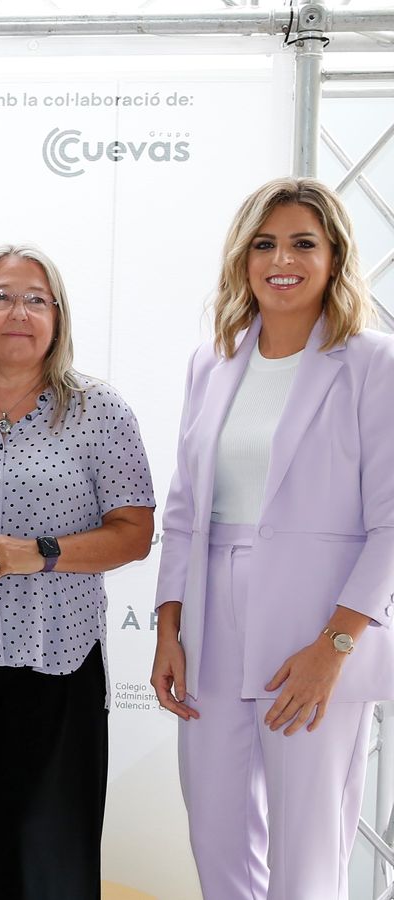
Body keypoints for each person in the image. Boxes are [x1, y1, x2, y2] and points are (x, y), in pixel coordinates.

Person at [152, 177, 394, 900]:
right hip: (209, 631)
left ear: (334, 257)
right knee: (216, 838)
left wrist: (335, 647)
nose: (281, 260)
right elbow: (184, 511)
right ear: (243, 258)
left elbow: (391, 523)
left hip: (315, 631)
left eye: (302, 243)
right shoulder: (212, 361)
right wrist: (169, 629)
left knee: (305, 854)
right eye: (264, 244)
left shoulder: (373, 363)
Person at [0, 244, 154, 899]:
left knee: (48, 869)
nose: (20, 312)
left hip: (58, 664)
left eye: (37, 299)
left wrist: (41, 552)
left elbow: (135, 532)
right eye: (3, 297)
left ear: (58, 317)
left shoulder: (99, 410)